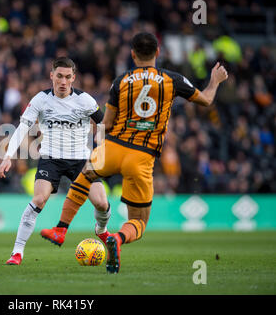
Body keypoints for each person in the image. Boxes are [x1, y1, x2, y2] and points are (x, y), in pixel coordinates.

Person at [46, 33, 228, 274]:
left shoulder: (120, 81)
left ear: (132, 54)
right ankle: (118, 238)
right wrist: (214, 81)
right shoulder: (171, 79)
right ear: (158, 52)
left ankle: (61, 228)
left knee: (84, 176)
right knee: (139, 221)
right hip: (141, 156)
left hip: (113, 147)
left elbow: (107, 123)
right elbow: (205, 100)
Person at [0, 57, 111, 265]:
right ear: (52, 76)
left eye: (68, 77)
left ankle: (101, 230)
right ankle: (17, 252)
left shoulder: (85, 100)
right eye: (59, 76)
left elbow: (104, 122)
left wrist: (101, 138)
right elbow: (22, 127)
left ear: (74, 78)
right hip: (51, 158)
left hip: (81, 160)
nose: (63, 81)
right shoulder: (41, 100)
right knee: (39, 199)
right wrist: (8, 156)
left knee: (102, 203)